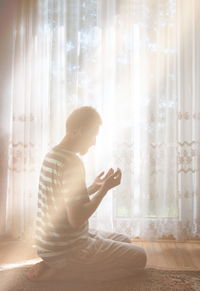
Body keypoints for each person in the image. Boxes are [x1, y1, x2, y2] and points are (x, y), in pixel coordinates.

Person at [26, 106, 146, 282]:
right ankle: (66, 274)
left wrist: (92, 187)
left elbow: (61, 199)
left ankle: (52, 264)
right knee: (139, 258)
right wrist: (104, 190)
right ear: (78, 132)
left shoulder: (52, 155)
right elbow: (76, 219)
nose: (94, 142)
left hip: (50, 246)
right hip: (68, 249)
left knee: (125, 240)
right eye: (92, 136)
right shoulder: (72, 162)